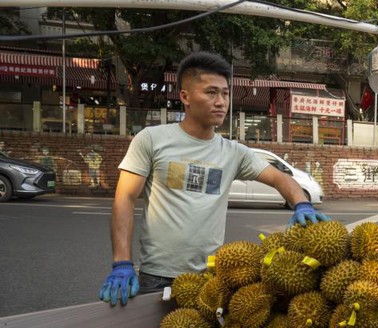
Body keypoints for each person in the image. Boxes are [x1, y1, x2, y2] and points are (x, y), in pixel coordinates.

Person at [99, 51, 329, 307]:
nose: (221, 101)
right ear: (185, 97)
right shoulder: (152, 139)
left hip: (211, 276)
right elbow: (125, 198)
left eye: (226, 93)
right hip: (157, 276)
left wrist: (301, 203)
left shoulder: (234, 152)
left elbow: (281, 179)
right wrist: (122, 262)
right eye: (211, 93)